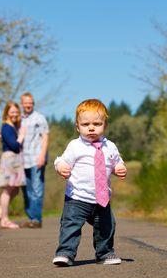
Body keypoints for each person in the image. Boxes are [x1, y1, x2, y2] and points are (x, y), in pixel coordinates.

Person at [52, 98, 127, 267]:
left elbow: (116, 162)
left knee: (107, 226)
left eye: (97, 124)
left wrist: (120, 168)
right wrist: (61, 167)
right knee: (70, 226)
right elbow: (61, 160)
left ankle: (105, 253)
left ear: (105, 125)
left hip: (102, 198)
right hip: (77, 197)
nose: (91, 128)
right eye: (85, 124)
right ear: (77, 126)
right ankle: (66, 252)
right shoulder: (75, 146)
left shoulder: (111, 147)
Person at [0, 101, 26, 229]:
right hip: (10, 158)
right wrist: (21, 136)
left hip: (15, 159)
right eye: (12, 111)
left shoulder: (12, 127)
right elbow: (15, 146)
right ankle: (4, 220)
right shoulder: (6, 127)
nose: (15, 114)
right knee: (8, 189)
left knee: (15, 190)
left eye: (16, 111)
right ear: (6, 112)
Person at [19, 92, 49, 228]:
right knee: (27, 190)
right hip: (22, 160)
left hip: (36, 158)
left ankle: (36, 219)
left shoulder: (39, 118)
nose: (28, 105)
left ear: (33, 103)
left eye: (30, 102)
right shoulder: (19, 119)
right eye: (25, 102)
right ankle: (31, 218)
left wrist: (42, 155)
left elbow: (45, 137)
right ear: (22, 104)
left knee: (37, 189)